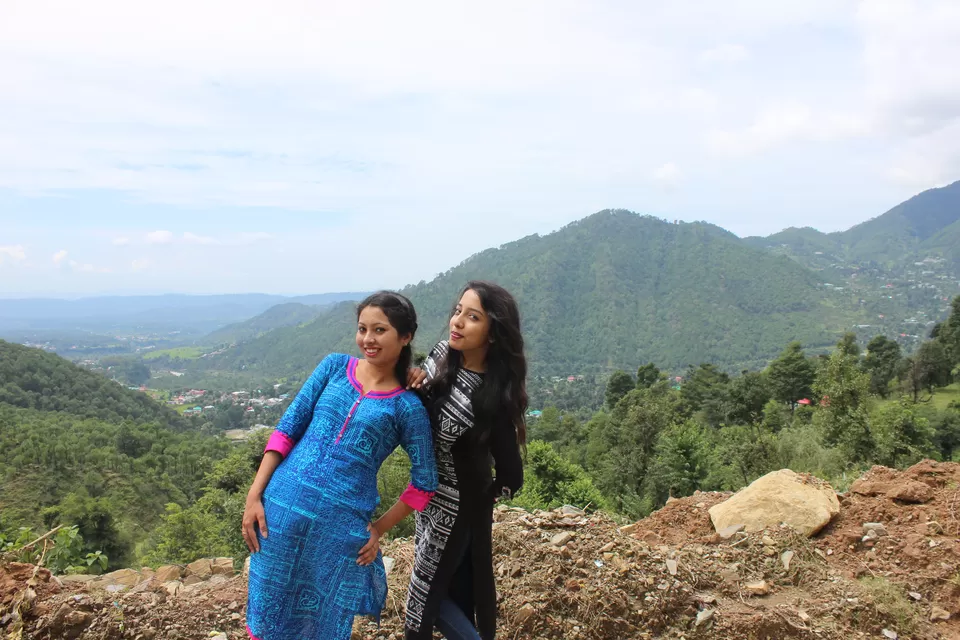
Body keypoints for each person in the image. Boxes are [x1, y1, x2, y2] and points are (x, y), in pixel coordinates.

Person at [243, 291, 438, 640]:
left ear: (405, 336)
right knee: (266, 615)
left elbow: (424, 483)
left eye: (380, 330)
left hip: (336, 535)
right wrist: (254, 495)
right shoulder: (334, 367)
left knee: (322, 623)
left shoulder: (408, 407)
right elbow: (287, 429)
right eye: (362, 328)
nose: (368, 339)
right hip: (277, 518)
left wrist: (378, 529)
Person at [404, 281, 527, 640]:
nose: (457, 321)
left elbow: (511, 474)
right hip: (427, 499)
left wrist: (483, 500)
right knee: (439, 591)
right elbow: (418, 403)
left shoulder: (494, 393)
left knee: (425, 597)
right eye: (458, 311)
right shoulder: (440, 354)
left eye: (472, 317)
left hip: (459, 511)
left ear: (493, 333)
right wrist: (413, 379)